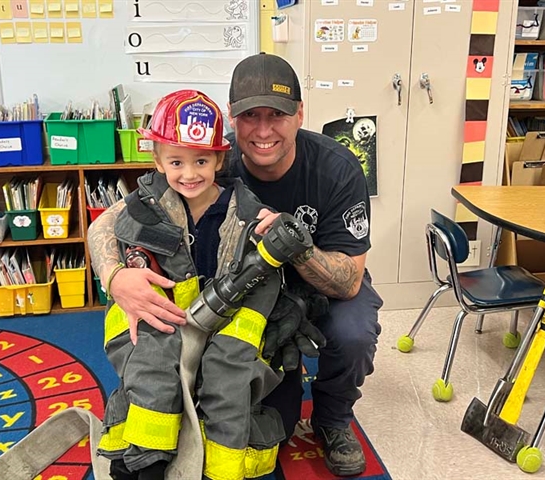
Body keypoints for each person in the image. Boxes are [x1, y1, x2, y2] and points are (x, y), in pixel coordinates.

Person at [89, 53, 384, 477]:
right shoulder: (206, 156)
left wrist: (295, 246)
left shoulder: (337, 167)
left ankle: (332, 420)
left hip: (320, 280)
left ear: (301, 113)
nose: (263, 130)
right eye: (250, 116)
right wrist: (116, 276)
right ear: (233, 118)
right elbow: (108, 222)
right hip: (244, 289)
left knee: (352, 332)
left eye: (277, 115)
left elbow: (348, 281)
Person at [95, 89, 295, 480]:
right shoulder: (143, 209)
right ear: (157, 161)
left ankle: (221, 469)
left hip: (230, 320)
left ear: (220, 158)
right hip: (162, 315)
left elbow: (264, 275)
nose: (190, 174)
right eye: (176, 162)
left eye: (201, 160)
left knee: (228, 379)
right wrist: (119, 276)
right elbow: (122, 251)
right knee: (152, 365)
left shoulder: (248, 211)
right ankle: (143, 459)